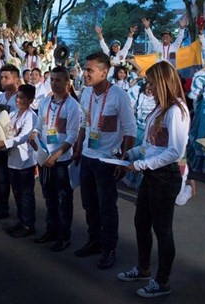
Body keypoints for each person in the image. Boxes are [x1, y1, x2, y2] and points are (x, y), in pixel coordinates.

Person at [117, 61, 190, 298]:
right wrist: (131, 154)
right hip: (151, 175)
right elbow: (151, 145)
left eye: (151, 82)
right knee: (141, 223)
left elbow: (174, 152)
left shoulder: (176, 110)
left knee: (162, 230)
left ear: (163, 82)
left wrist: (140, 164)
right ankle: (143, 268)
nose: (148, 87)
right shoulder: (159, 109)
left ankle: (162, 281)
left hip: (165, 176)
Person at [72, 52, 136, 269]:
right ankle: (95, 241)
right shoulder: (86, 94)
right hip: (88, 158)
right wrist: (79, 147)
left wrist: (124, 159)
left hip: (107, 161)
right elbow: (84, 123)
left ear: (104, 72)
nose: (85, 74)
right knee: (89, 204)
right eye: (85, 69)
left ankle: (109, 248)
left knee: (107, 206)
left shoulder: (120, 96)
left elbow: (130, 130)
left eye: (90, 70)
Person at [30, 66, 81, 252]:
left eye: (58, 80)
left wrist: (57, 155)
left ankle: (63, 235)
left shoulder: (73, 106)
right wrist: (34, 134)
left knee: (63, 199)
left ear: (67, 83)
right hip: (45, 158)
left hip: (61, 161)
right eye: (52, 79)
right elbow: (39, 124)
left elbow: (73, 136)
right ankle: (51, 230)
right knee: (48, 196)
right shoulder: (45, 102)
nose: (54, 83)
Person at [0, 84, 39, 238]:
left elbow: (23, 137)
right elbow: (6, 130)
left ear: (30, 100)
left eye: (21, 97)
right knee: (17, 193)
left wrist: (4, 143)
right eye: (17, 96)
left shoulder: (31, 116)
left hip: (25, 161)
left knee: (26, 194)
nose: (17, 100)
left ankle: (28, 224)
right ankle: (21, 220)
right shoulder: (14, 114)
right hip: (12, 159)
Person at [0, 64, 20, 221]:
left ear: (16, 79)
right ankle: (2, 209)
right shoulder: (0, 98)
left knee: (18, 185)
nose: (2, 80)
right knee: (2, 180)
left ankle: (23, 218)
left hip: (15, 147)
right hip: (1, 146)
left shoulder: (21, 99)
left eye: (6, 77)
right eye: (1, 77)